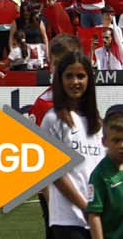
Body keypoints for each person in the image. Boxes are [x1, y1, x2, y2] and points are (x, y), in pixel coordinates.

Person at [43, 52, 105, 239]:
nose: (75, 82)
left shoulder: (98, 124)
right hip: (68, 220)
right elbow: (56, 173)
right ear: (59, 80)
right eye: (69, 76)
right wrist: (86, 207)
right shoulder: (53, 119)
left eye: (80, 76)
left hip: (98, 219)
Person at [85, 109, 123, 239]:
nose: (121, 145)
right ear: (104, 142)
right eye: (116, 140)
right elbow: (94, 215)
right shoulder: (99, 175)